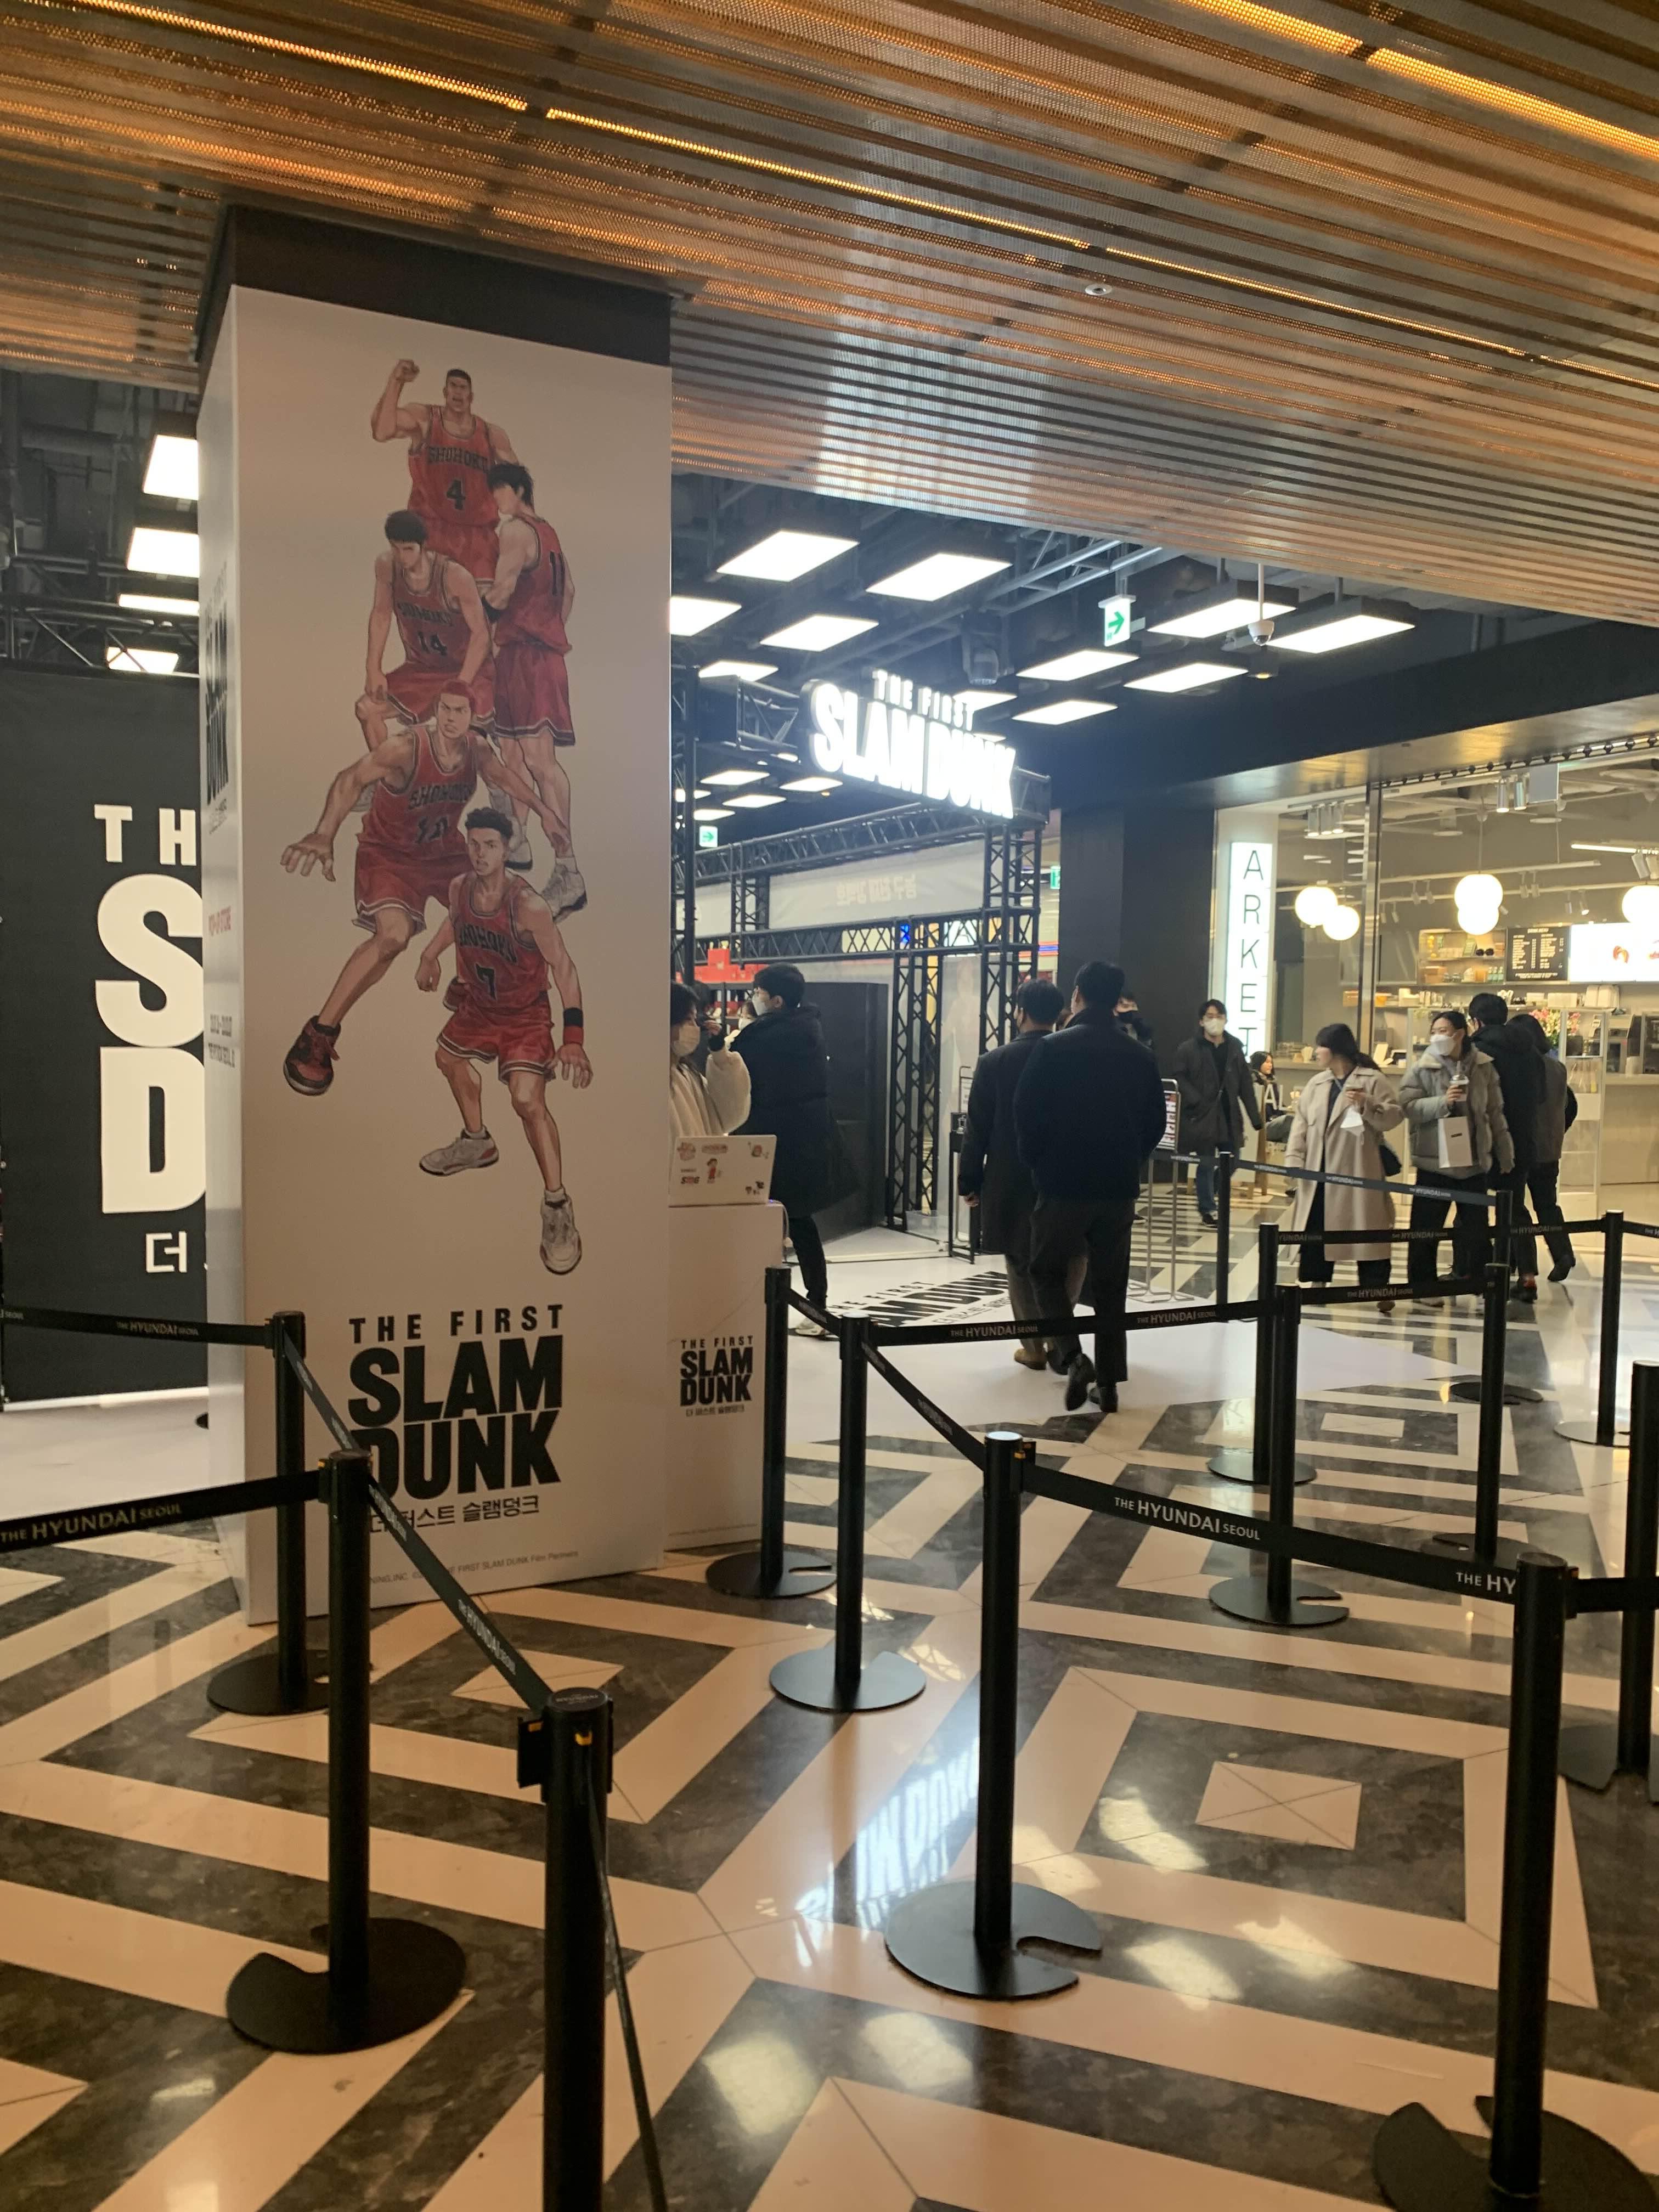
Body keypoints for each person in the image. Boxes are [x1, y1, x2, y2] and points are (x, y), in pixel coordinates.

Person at [278, 684, 559, 1097]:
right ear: (435, 711)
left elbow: (505, 778)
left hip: (442, 852)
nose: (451, 718)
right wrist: (324, 833)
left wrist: (544, 810)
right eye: (445, 709)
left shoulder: (477, 750)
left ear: (472, 718)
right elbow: (350, 779)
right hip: (391, 853)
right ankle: (320, 1030)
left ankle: (482, 993)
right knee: (394, 937)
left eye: (460, 711)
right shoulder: (406, 748)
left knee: (504, 907)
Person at [413, 810, 588, 1273]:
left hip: (524, 1015)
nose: (480, 853)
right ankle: (477, 1141)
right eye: (473, 844)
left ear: (507, 849)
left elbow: (564, 968)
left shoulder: (528, 905)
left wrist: (573, 1038)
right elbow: (454, 922)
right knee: (447, 1058)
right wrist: (430, 955)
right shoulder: (460, 888)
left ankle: (557, 1204)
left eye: (490, 845)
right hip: (479, 1006)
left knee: (527, 1099)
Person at [1014, 960, 1168, 1413]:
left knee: (1045, 1271)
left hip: (1062, 1184)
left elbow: (1027, 1117)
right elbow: (1155, 1123)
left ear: (1077, 994)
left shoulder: (1053, 1049)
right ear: (1117, 999)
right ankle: (1111, 1385)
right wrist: (1130, 1159)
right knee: (1111, 1286)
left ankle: (1073, 1357)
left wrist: (1040, 1166)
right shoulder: (1140, 1055)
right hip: (1117, 1187)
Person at [959, 978, 1079, 1370]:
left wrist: (969, 1180)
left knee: (1019, 1258)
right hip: (1066, 1175)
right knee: (1069, 1254)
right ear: (1059, 1014)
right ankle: (1061, 1339)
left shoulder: (994, 1062)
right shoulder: (1072, 1058)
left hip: (1010, 1177)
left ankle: (1033, 1346)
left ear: (1020, 1013)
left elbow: (977, 1128)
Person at [484, 462, 584, 924]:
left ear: (519, 490)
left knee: (540, 762)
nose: (495, 500)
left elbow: (501, 593)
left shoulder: (516, 531)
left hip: (529, 655)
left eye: (499, 491)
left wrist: (469, 614)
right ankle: (519, 842)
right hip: (524, 653)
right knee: (511, 753)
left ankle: (568, 869)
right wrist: (549, 626)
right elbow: (570, 592)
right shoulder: (549, 534)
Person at [732, 964, 849, 1336]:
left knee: (779, 1221)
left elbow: (738, 1068)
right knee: (800, 1222)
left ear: (777, 1000)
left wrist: (736, 1036)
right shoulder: (807, 1027)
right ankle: (816, 1305)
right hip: (804, 1139)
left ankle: (782, 1304)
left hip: (773, 1142)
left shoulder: (767, 1036)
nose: (754, 998)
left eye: (758, 992)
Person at [1284, 1023, 1404, 1311]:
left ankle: (1377, 1288)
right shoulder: (1317, 1084)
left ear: (1335, 1050)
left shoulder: (1372, 1079)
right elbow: (1300, 1125)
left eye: (1320, 1046)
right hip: (1318, 1169)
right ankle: (1317, 1283)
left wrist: (1367, 1104)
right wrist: (1294, 1161)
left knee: (1368, 1229)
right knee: (1316, 1226)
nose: (1316, 1052)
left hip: (1359, 1169)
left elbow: (1393, 1117)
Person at [357, 510, 495, 755]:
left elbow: (481, 635)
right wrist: (373, 668)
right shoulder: (387, 566)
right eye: (396, 548)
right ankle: (390, 775)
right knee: (367, 710)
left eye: (408, 549)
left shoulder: (454, 576)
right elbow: (381, 614)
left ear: (423, 546)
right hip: (422, 670)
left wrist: (460, 685)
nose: (402, 556)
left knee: (467, 743)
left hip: (465, 670)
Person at [1398, 1008, 1512, 1301]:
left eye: (1444, 1031)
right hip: (1434, 1162)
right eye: (1434, 1031)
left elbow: (1495, 1112)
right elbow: (1408, 1107)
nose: (1438, 1036)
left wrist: (1505, 1151)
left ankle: (1482, 1284)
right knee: (1426, 1229)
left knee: (1477, 1229)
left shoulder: (1484, 1067)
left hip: (1472, 1162)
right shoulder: (1422, 1068)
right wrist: (1443, 1102)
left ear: (1460, 1034)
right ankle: (1423, 1287)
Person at [371, 360, 517, 581]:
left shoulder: (491, 435)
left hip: (477, 538)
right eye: (453, 386)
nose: (458, 392)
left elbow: (519, 486)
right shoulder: (425, 420)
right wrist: (396, 382)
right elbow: (382, 432)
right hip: (430, 530)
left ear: (471, 396)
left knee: (483, 602)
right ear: (445, 392)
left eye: (463, 387)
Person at [1469, 991, 1545, 1301]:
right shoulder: (1531, 1052)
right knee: (1516, 1209)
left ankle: (1476, 1274)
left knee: (1472, 1208)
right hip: (1522, 1140)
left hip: (1484, 1140)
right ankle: (1527, 1277)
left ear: (1476, 1021)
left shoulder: (1476, 1051)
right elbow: (1541, 1096)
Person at [1172, 998, 1261, 1224]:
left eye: (1219, 1016)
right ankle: (1208, 1209)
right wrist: (1196, 1100)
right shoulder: (1188, 1048)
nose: (1215, 1021)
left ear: (1226, 1020)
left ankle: (1209, 1190)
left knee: (1233, 1161)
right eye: (1210, 1017)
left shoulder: (1235, 1047)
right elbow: (1179, 1077)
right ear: (1201, 1021)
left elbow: (1245, 1084)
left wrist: (1255, 1117)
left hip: (1229, 1115)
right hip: (1203, 1115)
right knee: (1206, 1162)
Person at [1510, 1013, 1578, 1284]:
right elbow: (1569, 1107)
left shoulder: (1520, 1066)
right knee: (1547, 1205)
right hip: (1550, 1148)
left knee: (1516, 1209)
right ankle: (1563, 1254)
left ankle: (1526, 1268)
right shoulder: (1558, 1068)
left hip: (1524, 1147)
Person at [669, 980, 749, 1139]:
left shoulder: (687, 1073)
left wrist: (720, 1054)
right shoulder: (654, 1080)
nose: (695, 1027)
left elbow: (728, 1115)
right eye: (688, 1019)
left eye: (695, 1020)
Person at [1115, 990, 1154, 1054]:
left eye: (1133, 1006)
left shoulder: (1141, 1027)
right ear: (1114, 1010)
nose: (1131, 1009)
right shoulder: (1113, 1030)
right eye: (1125, 1007)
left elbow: (1150, 1051)